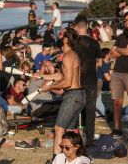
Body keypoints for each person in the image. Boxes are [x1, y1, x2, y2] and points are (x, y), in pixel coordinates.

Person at [40, 28, 85, 162]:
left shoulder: (67, 56)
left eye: (62, 35)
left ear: (66, 39)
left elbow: (67, 82)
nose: (59, 35)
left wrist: (49, 88)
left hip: (72, 95)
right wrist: (42, 76)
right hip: (79, 95)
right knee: (69, 132)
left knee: (59, 129)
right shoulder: (73, 54)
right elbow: (61, 75)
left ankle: (55, 160)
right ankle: (70, 160)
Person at [73, 15, 102, 146]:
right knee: (90, 112)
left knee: (74, 110)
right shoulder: (95, 43)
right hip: (91, 80)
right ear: (86, 26)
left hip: (76, 80)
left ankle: (73, 137)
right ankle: (89, 140)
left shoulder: (73, 43)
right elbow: (99, 63)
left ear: (76, 27)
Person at [96, 48, 111, 117]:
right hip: (98, 81)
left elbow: (109, 73)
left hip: (101, 81)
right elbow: (108, 78)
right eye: (110, 53)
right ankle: (105, 112)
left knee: (98, 98)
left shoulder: (108, 62)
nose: (111, 54)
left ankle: (103, 112)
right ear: (107, 54)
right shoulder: (102, 63)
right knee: (96, 98)